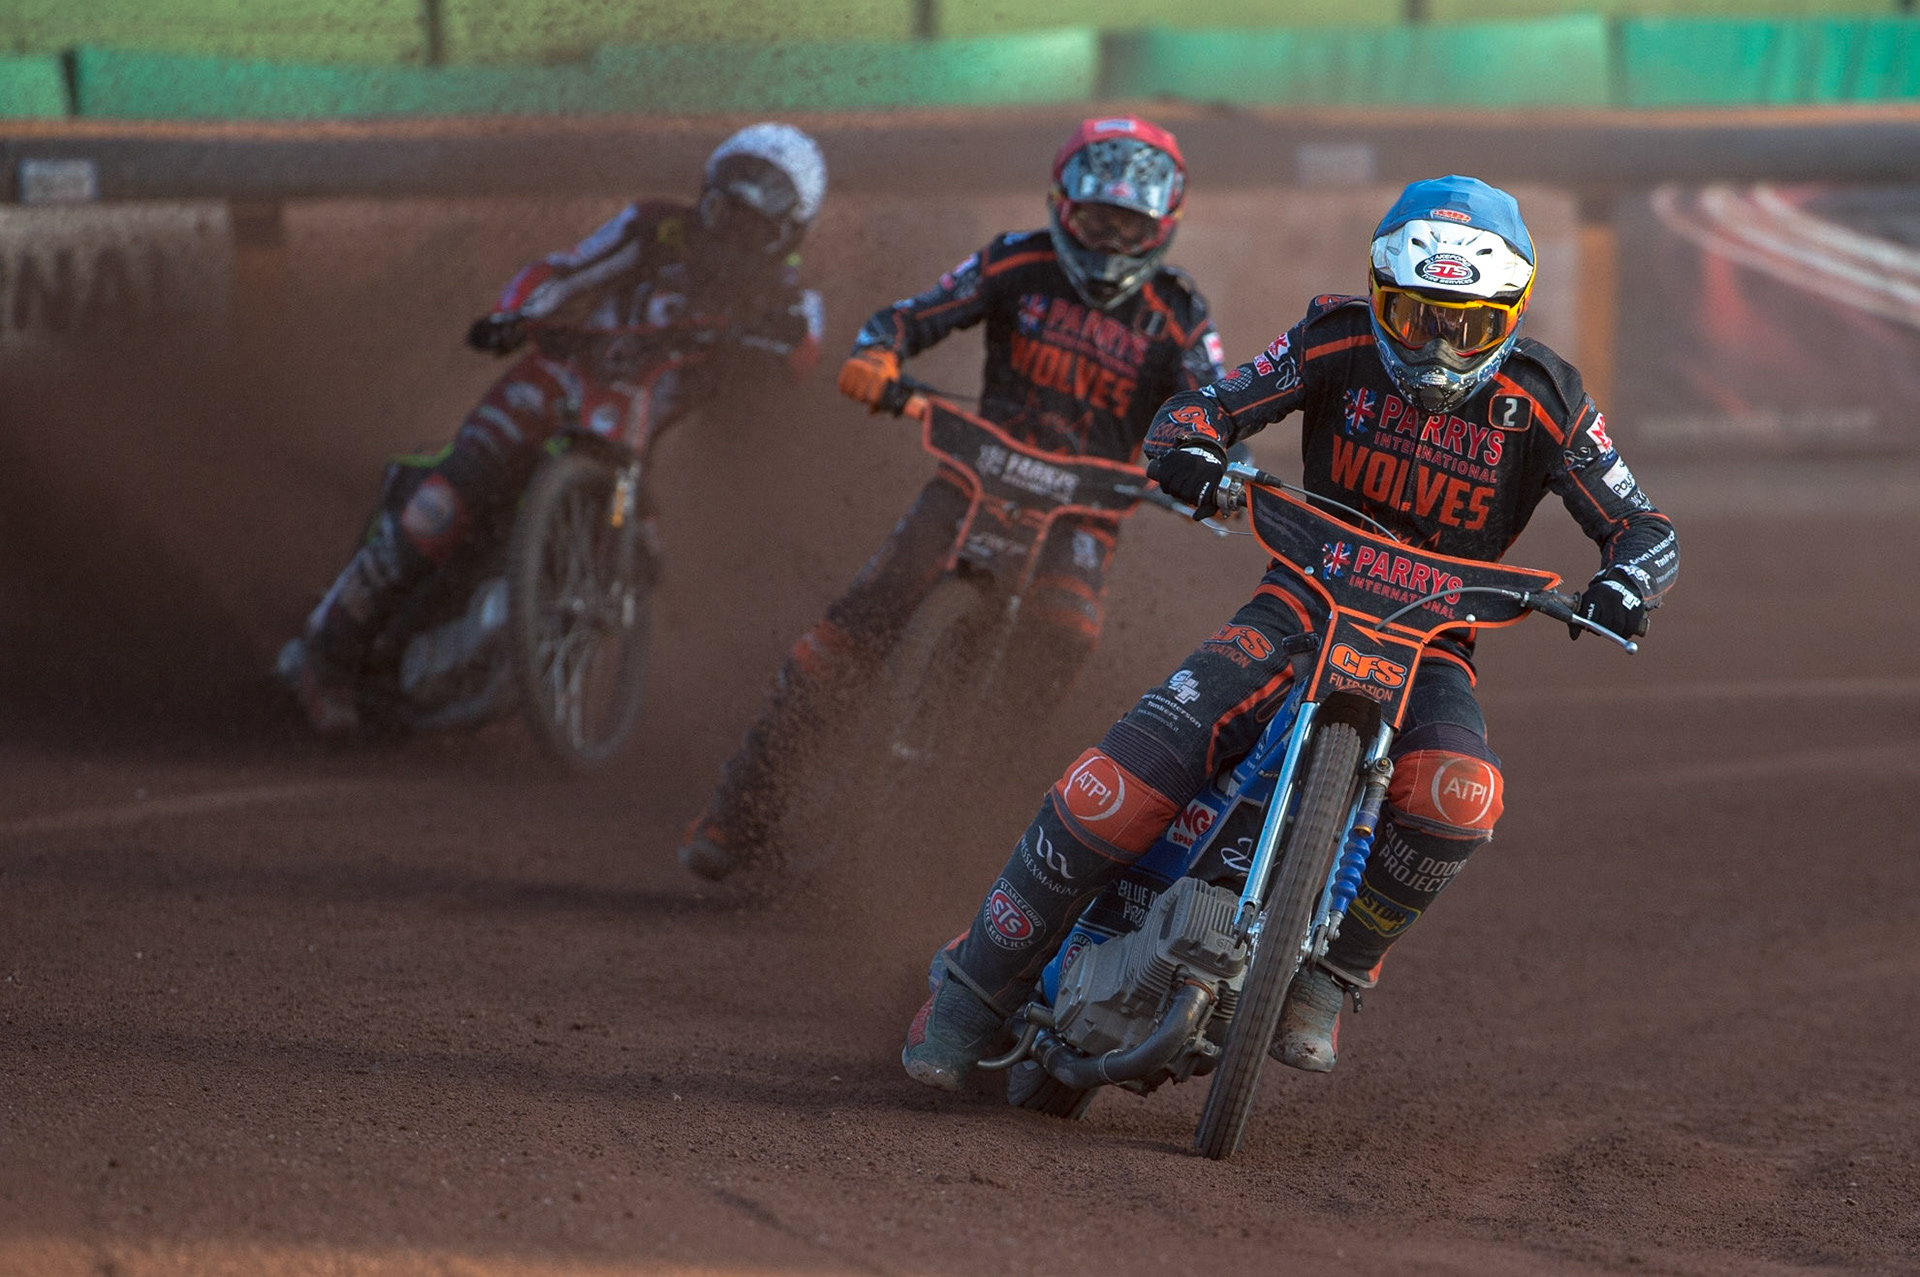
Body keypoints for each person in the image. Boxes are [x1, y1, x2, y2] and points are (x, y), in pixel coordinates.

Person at [901, 175, 1680, 1091]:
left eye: (1463, 324)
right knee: (1116, 786)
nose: (1435, 346)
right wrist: (1188, 448)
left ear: (1509, 313)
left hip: (1431, 643)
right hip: (1299, 602)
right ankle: (969, 990)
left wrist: (1627, 579)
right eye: (1415, 315)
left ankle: (1333, 971)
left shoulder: (1547, 395)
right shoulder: (1335, 335)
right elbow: (1208, 404)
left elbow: (1644, 524)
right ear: (1379, 296)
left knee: (1460, 797)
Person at [679, 115, 1228, 882]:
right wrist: (878, 354)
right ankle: (740, 812)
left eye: (1129, 226)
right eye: (1098, 219)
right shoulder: (1015, 261)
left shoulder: (1180, 310)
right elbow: (911, 314)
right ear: (1063, 206)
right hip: (973, 477)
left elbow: (1210, 402)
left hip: (1086, 507)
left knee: (1066, 628)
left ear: (1162, 228)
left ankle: (988, 778)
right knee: (856, 622)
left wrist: (1206, 457)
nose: (1109, 242)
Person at [280, 123, 828, 733]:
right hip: (552, 382)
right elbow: (564, 271)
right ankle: (323, 654)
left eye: (753, 226)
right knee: (442, 502)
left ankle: (520, 676)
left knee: (636, 562)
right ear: (706, 195)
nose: (730, 233)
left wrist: (766, 351)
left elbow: (804, 349)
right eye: (725, 209)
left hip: (630, 444)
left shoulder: (785, 300)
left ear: (786, 234)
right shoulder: (654, 228)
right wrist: (515, 315)